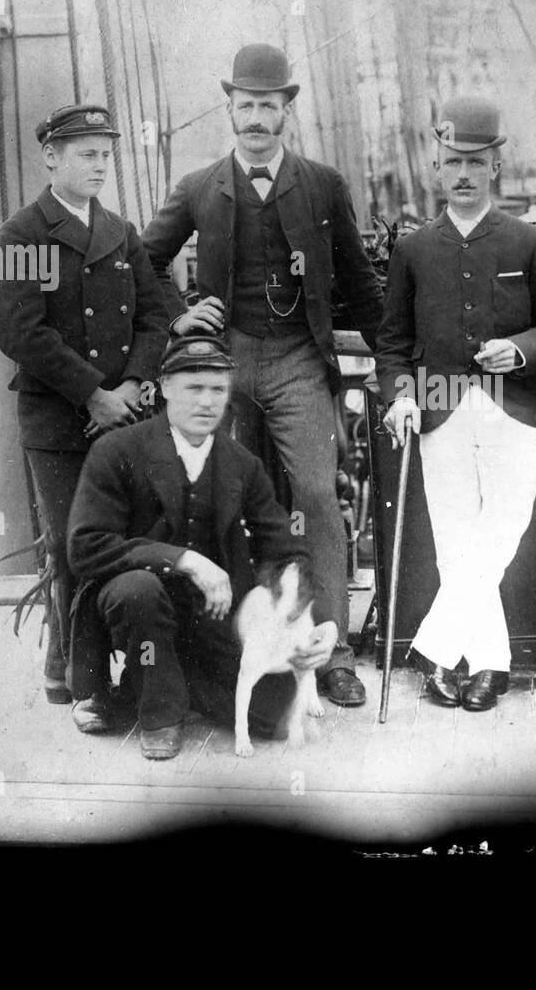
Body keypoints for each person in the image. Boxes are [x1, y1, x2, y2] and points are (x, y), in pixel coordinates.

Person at [141, 43, 384, 709]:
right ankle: (237, 647)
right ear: (230, 107)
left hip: (300, 356)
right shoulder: (198, 187)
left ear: (286, 110)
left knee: (315, 491)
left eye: (267, 106)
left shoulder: (324, 184)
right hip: (228, 359)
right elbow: (140, 261)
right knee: (226, 496)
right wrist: (183, 314)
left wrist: (401, 353)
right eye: (245, 105)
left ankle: (332, 650)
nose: (255, 117)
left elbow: (362, 284)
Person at [375, 96, 536, 712]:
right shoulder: (413, 249)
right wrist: (400, 397)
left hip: (510, 407)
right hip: (438, 411)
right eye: (452, 162)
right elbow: (392, 345)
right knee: (456, 541)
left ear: (494, 167)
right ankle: (489, 665)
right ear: (437, 167)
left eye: (475, 162)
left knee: (505, 525)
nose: (463, 173)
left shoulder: (530, 243)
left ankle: (431, 646)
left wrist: (517, 351)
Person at [64, 336, 337, 760]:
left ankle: (167, 681)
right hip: (137, 601)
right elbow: (85, 546)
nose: (207, 402)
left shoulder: (242, 465)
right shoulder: (116, 450)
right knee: (139, 590)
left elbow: (287, 552)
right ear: (166, 387)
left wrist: (311, 620)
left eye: (218, 389)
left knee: (276, 716)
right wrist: (183, 560)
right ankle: (159, 714)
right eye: (194, 388)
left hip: (212, 617)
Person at [0, 104, 170, 713]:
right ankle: (90, 686)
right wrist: (95, 392)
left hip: (124, 417)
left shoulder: (119, 231)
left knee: (134, 539)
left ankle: (73, 667)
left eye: (105, 155)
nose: (99, 165)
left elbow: (154, 316)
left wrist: (135, 385)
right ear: (52, 157)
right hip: (60, 421)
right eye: (86, 154)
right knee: (75, 548)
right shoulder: (23, 233)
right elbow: (20, 332)